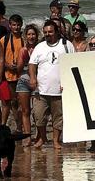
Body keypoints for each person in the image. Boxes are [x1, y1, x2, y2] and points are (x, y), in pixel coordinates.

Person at [28, 19, 73, 149]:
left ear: (57, 32)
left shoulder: (66, 45)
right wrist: (32, 78)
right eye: (46, 32)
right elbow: (32, 64)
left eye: (51, 31)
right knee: (39, 116)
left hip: (60, 89)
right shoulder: (40, 47)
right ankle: (42, 138)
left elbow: (73, 63)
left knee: (58, 118)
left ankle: (56, 141)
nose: (48, 34)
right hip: (41, 90)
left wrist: (69, 82)